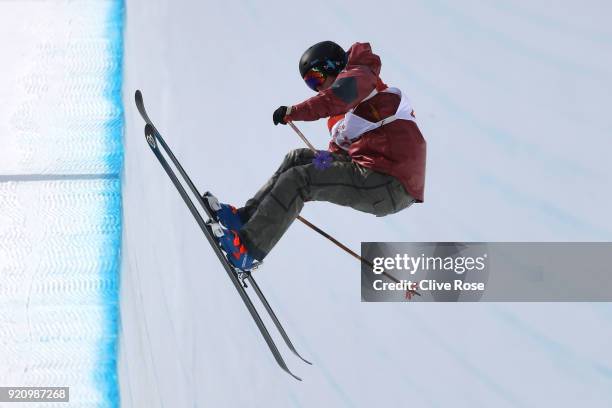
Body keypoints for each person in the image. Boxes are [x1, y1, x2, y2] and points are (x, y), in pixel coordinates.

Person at [207, 41, 426, 271]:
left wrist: (294, 112)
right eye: (311, 84)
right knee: (299, 159)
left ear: (332, 65)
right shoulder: (351, 111)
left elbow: (334, 98)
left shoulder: (359, 75)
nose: (317, 87)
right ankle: (245, 220)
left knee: (301, 179)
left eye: (316, 78)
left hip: (390, 182)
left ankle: (248, 251)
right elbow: (338, 154)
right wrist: (327, 159)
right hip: (374, 171)